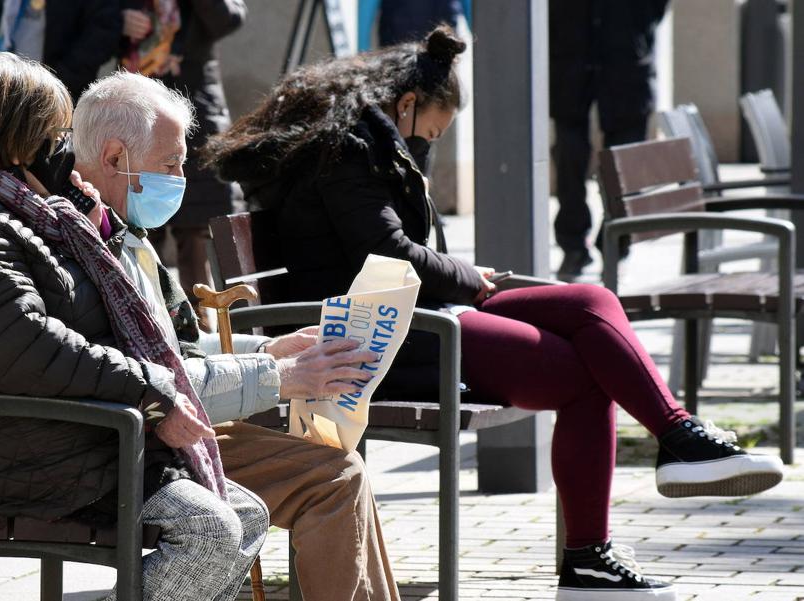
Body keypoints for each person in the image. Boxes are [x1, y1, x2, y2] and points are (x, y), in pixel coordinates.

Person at [203, 26, 786, 601]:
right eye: (430, 133)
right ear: (406, 104)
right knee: (586, 372)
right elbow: (389, 253)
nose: (427, 147)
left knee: (591, 302)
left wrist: (465, 279)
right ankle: (591, 557)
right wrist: (469, 281)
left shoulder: (361, 143)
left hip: (414, 313)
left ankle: (678, 436)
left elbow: (393, 254)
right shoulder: (347, 154)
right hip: (375, 337)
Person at [0, 52, 274, 601]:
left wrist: (89, 222)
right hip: (11, 463)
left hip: (55, 442)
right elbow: (32, 349)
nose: (62, 149)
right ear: (14, 139)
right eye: (52, 135)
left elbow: (78, 319)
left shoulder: (14, 213)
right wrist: (153, 393)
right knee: (211, 531)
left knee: (243, 514)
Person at [71, 70, 403, 601]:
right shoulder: (88, 240)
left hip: (170, 429)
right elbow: (157, 377)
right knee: (334, 478)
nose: (181, 178)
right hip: (146, 442)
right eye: (170, 165)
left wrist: (269, 349)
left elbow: (182, 347)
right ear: (114, 159)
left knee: (338, 475)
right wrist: (278, 377)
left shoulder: (122, 232)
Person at [118, 0, 247, 329]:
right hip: (136, 108)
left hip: (197, 109)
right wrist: (120, 21)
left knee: (198, 231)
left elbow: (229, 19)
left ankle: (204, 329)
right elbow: (87, 21)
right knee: (140, 222)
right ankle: (150, 325)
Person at [549, 0, 670, 281]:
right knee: (569, 155)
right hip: (571, 59)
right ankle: (573, 244)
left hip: (626, 59)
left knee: (624, 163)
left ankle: (617, 241)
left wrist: (638, 25)